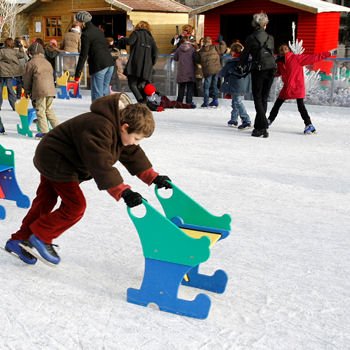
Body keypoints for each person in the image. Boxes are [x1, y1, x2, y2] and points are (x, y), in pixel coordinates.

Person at [4, 93, 172, 265]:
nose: (136, 143)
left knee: (45, 201)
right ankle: (40, 236)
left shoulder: (118, 127)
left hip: (57, 157)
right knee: (75, 206)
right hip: (57, 160)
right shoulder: (100, 127)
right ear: (125, 127)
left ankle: (19, 240)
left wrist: (154, 178)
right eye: (136, 138)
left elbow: (133, 155)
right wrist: (124, 192)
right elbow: (100, 164)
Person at [268, 44, 332, 134]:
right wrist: (270, 73)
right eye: (281, 49)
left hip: (297, 86)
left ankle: (309, 125)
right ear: (279, 52)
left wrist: (328, 53)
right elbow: (278, 73)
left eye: (285, 48)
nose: (283, 50)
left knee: (301, 106)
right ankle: (269, 121)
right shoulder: (279, 62)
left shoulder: (296, 58)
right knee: (277, 104)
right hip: (287, 87)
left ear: (289, 50)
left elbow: (313, 57)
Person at [239, 12, 276, 138]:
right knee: (264, 98)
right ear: (265, 25)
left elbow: (244, 55)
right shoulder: (270, 37)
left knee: (257, 97)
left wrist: (240, 66)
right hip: (271, 68)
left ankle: (263, 125)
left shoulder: (251, 38)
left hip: (259, 69)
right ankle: (258, 128)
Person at [74, 11, 114, 101]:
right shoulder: (98, 31)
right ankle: (107, 112)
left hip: (99, 66)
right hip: (109, 64)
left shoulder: (86, 35)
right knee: (105, 92)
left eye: (77, 22)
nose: (76, 24)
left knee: (97, 95)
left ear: (82, 22)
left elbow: (83, 55)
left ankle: (97, 113)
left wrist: (77, 74)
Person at [23, 42, 59, 138]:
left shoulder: (30, 63)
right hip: (51, 90)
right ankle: (59, 129)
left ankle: (44, 132)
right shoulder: (47, 62)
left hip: (40, 90)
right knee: (49, 110)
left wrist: (26, 90)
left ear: (31, 52)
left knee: (40, 110)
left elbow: (26, 79)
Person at [123, 21, 158, 103]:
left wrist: (123, 39)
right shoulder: (150, 38)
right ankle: (144, 101)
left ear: (138, 27)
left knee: (132, 84)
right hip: (147, 66)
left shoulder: (136, 33)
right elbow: (155, 53)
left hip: (135, 65)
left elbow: (129, 42)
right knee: (140, 85)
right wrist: (151, 63)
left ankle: (141, 100)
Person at [219, 42, 252, 129]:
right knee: (235, 101)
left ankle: (246, 120)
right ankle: (234, 119)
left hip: (235, 83)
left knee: (237, 101)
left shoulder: (231, 62)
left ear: (232, 52)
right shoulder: (248, 61)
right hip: (245, 83)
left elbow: (222, 73)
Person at [195, 36, 226, 108]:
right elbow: (223, 48)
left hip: (208, 71)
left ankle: (206, 102)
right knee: (214, 85)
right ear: (210, 42)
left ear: (204, 43)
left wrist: (196, 52)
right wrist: (221, 41)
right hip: (216, 70)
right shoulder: (215, 47)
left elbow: (197, 60)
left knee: (206, 87)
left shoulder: (201, 51)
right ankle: (215, 100)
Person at [0, 37, 26, 111]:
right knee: (10, 89)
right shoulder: (15, 52)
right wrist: (20, 47)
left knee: (0, 89)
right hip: (10, 73)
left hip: (1, 72)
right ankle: (14, 105)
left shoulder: (2, 51)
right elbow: (22, 55)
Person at [173, 36, 196, 107]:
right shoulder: (192, 48)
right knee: (190, 87)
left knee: (181, 87)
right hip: (190, 70)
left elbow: (175, 58)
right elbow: (195, 58)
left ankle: (179, 102)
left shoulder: (179, 49)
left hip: (181, 70)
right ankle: (188, 102)